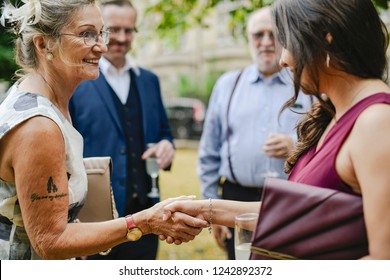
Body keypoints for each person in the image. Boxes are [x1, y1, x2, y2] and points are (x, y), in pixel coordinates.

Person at [162, 0, 390, 260]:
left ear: (326, 39)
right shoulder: (337, 113)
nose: (283, 59)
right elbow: (298, 216)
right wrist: (205, 210)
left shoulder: (377, 123)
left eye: (288, 41)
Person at [0, 0, 207, 260]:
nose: (103, 46)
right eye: (87, 34)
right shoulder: (39, 126)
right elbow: (51, 241)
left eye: (101, 33)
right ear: (44, 44)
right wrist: (145, 223)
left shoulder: (45, 101)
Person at [197, 6, 312, 259]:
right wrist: (211, 209)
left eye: (274, 34)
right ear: (249, 39)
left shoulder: (307, 84)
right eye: (258, 35)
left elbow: (326, 143)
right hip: (236, 198)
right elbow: (209, 154)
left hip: (291, 198)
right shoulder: (227, 85)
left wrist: (295, 145)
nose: (266, 42)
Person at [69, 0, 175, 260]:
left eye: (129, 31)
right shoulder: (76, 80)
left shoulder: (149, 80)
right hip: (95, 222)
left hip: (147, 217)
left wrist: (167, 145)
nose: (121, 38)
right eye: (113, 30)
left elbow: (164, 132)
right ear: (100, 31)